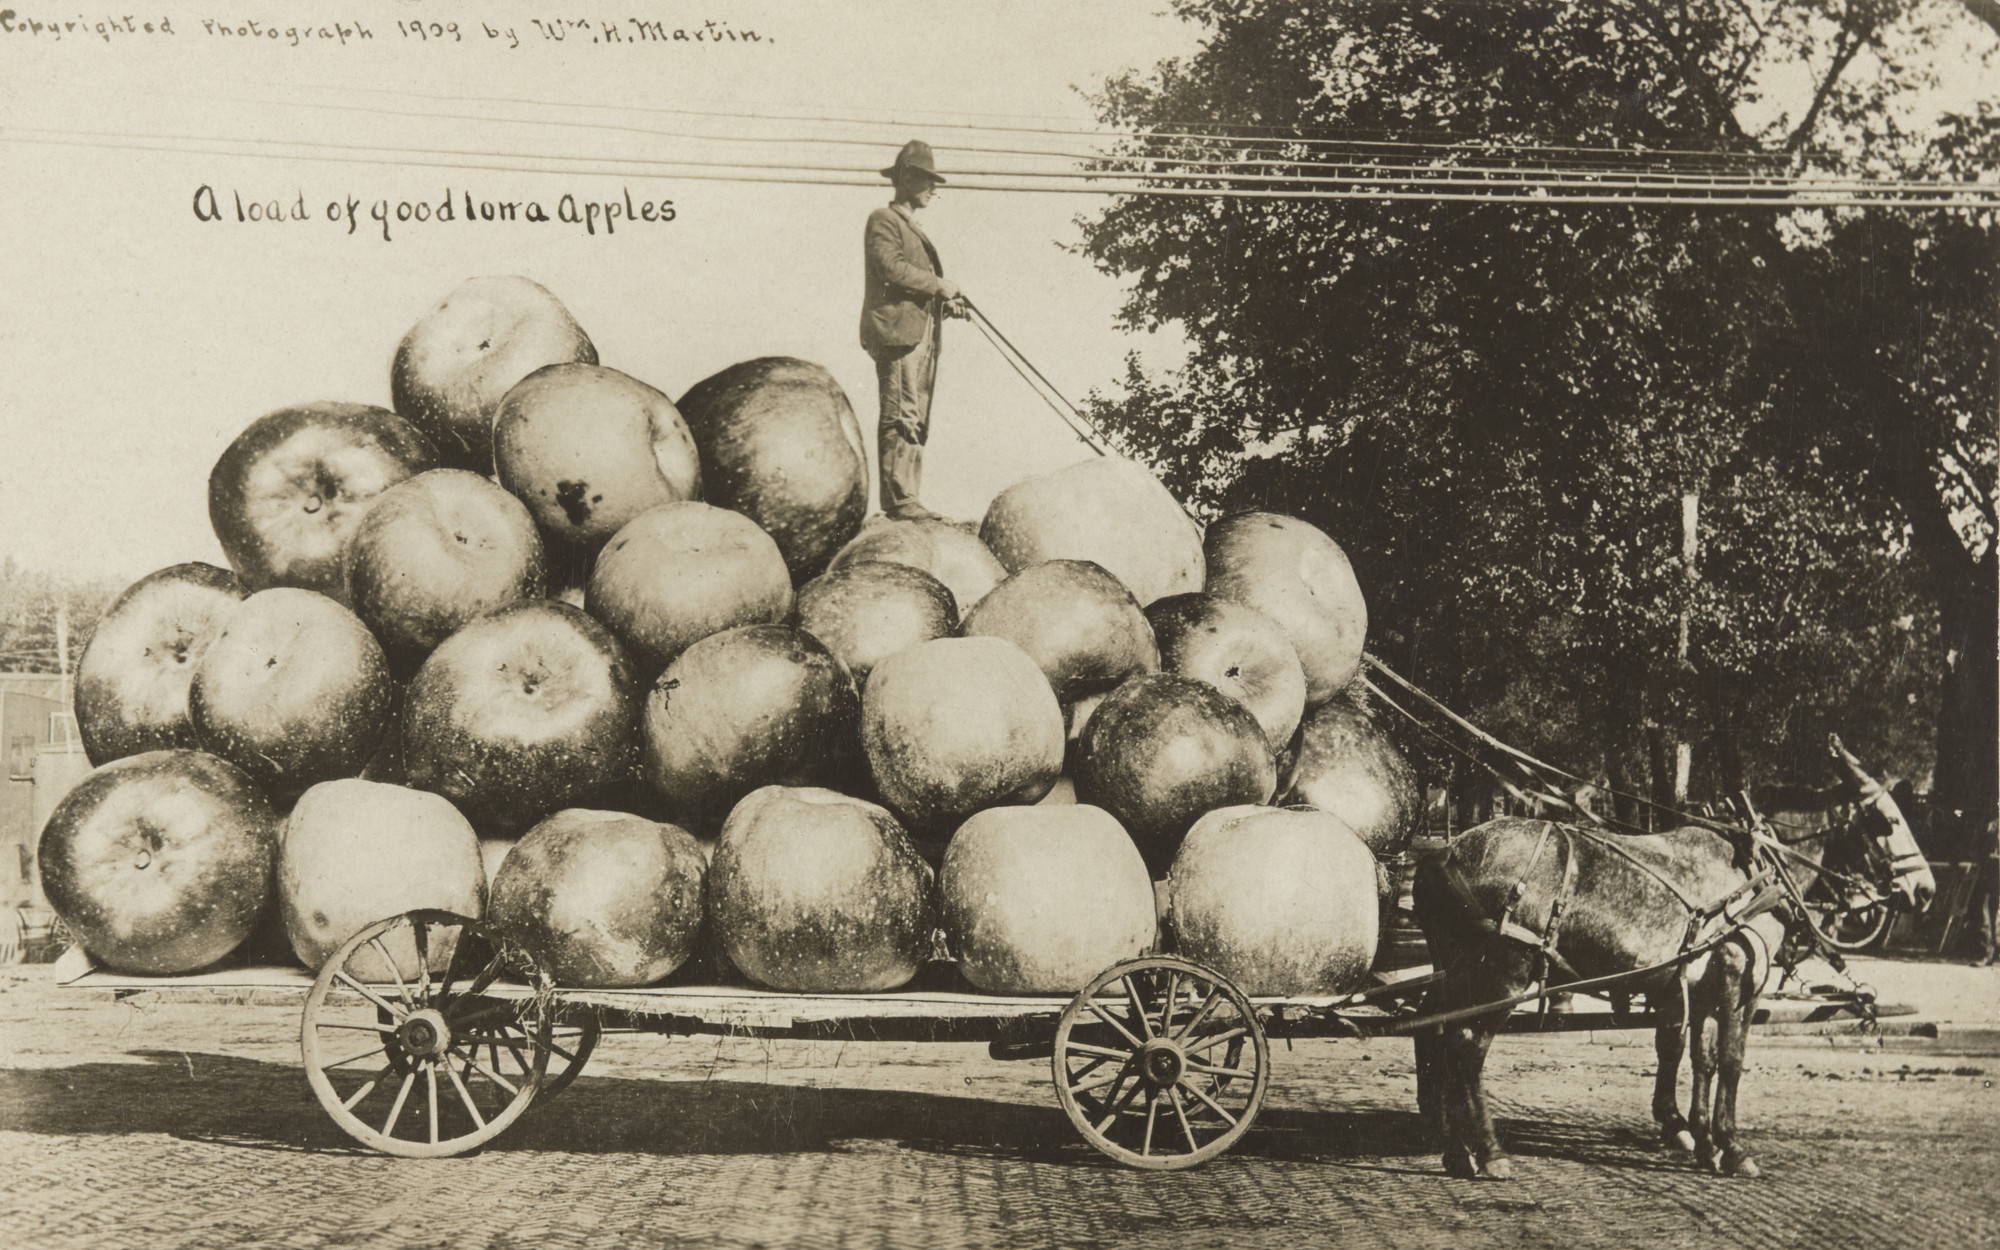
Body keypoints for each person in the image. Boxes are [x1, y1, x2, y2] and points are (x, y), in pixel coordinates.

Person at [859, 140, 964, 521]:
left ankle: (908, 495)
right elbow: (889, 268)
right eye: (926, 181)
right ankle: (900, 499)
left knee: (915, 414)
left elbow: (908, 279)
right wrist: (938, 285)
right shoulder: (883, 221)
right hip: (896, 333)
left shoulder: (907, 226)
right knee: (901, 412)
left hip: (916, 333)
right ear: (906, 180)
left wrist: (944, 302)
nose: (934, 189)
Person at [1969, 815, 1998, 967]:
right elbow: (1975, 846)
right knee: (1985, 910)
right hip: (1990, 869)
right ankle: (1987, 951)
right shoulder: (1988, 824)